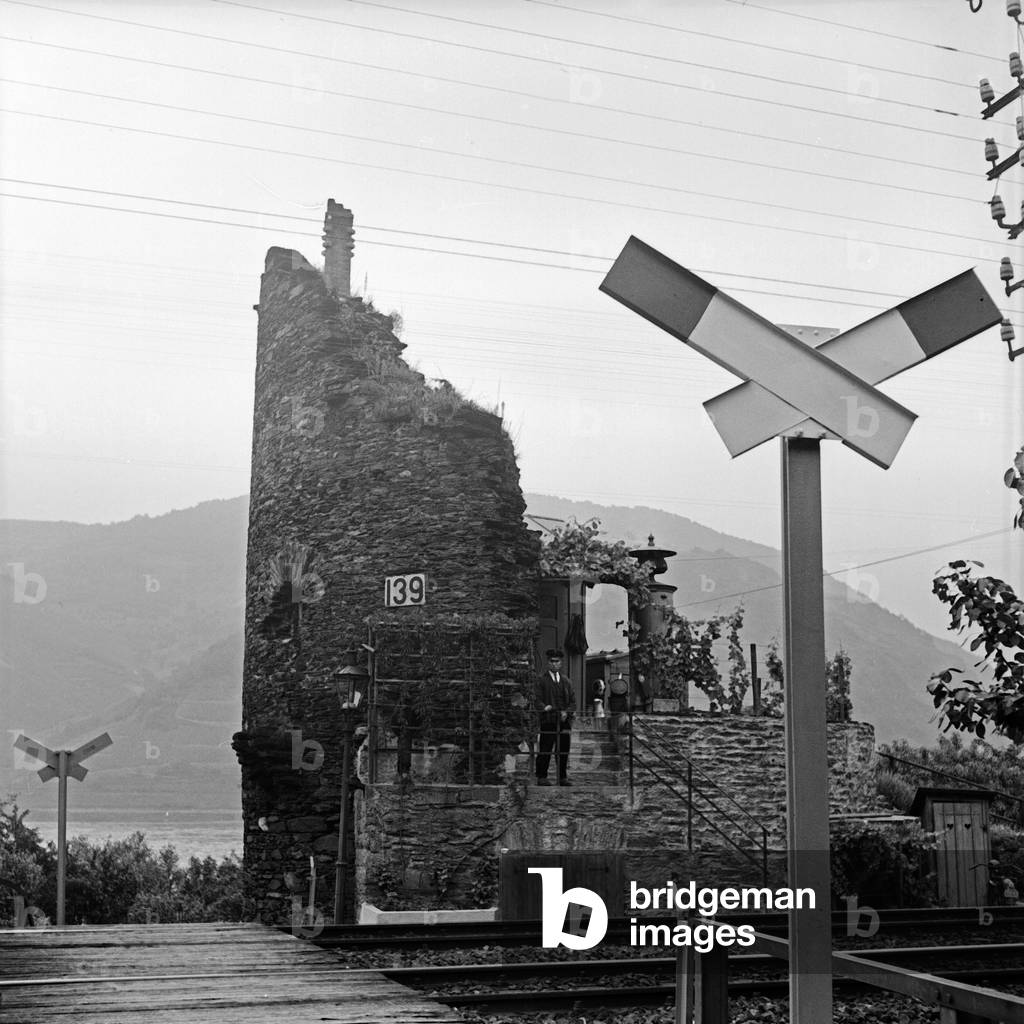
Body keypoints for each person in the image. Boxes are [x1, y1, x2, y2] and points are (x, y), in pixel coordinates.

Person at [535, 648, 574, 786]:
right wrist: (544, 707)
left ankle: (562, 777)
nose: (554, 664)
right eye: (552, 661)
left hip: (563, 721)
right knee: (545, 748)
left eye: (557, 661)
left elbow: (572, 702)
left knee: (563, 749)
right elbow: (537, 698)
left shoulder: (566, 682)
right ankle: (541, 776)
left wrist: (567, 712)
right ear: (548, 663)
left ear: (561, 663)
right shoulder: (541, 680)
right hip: (548, 720)